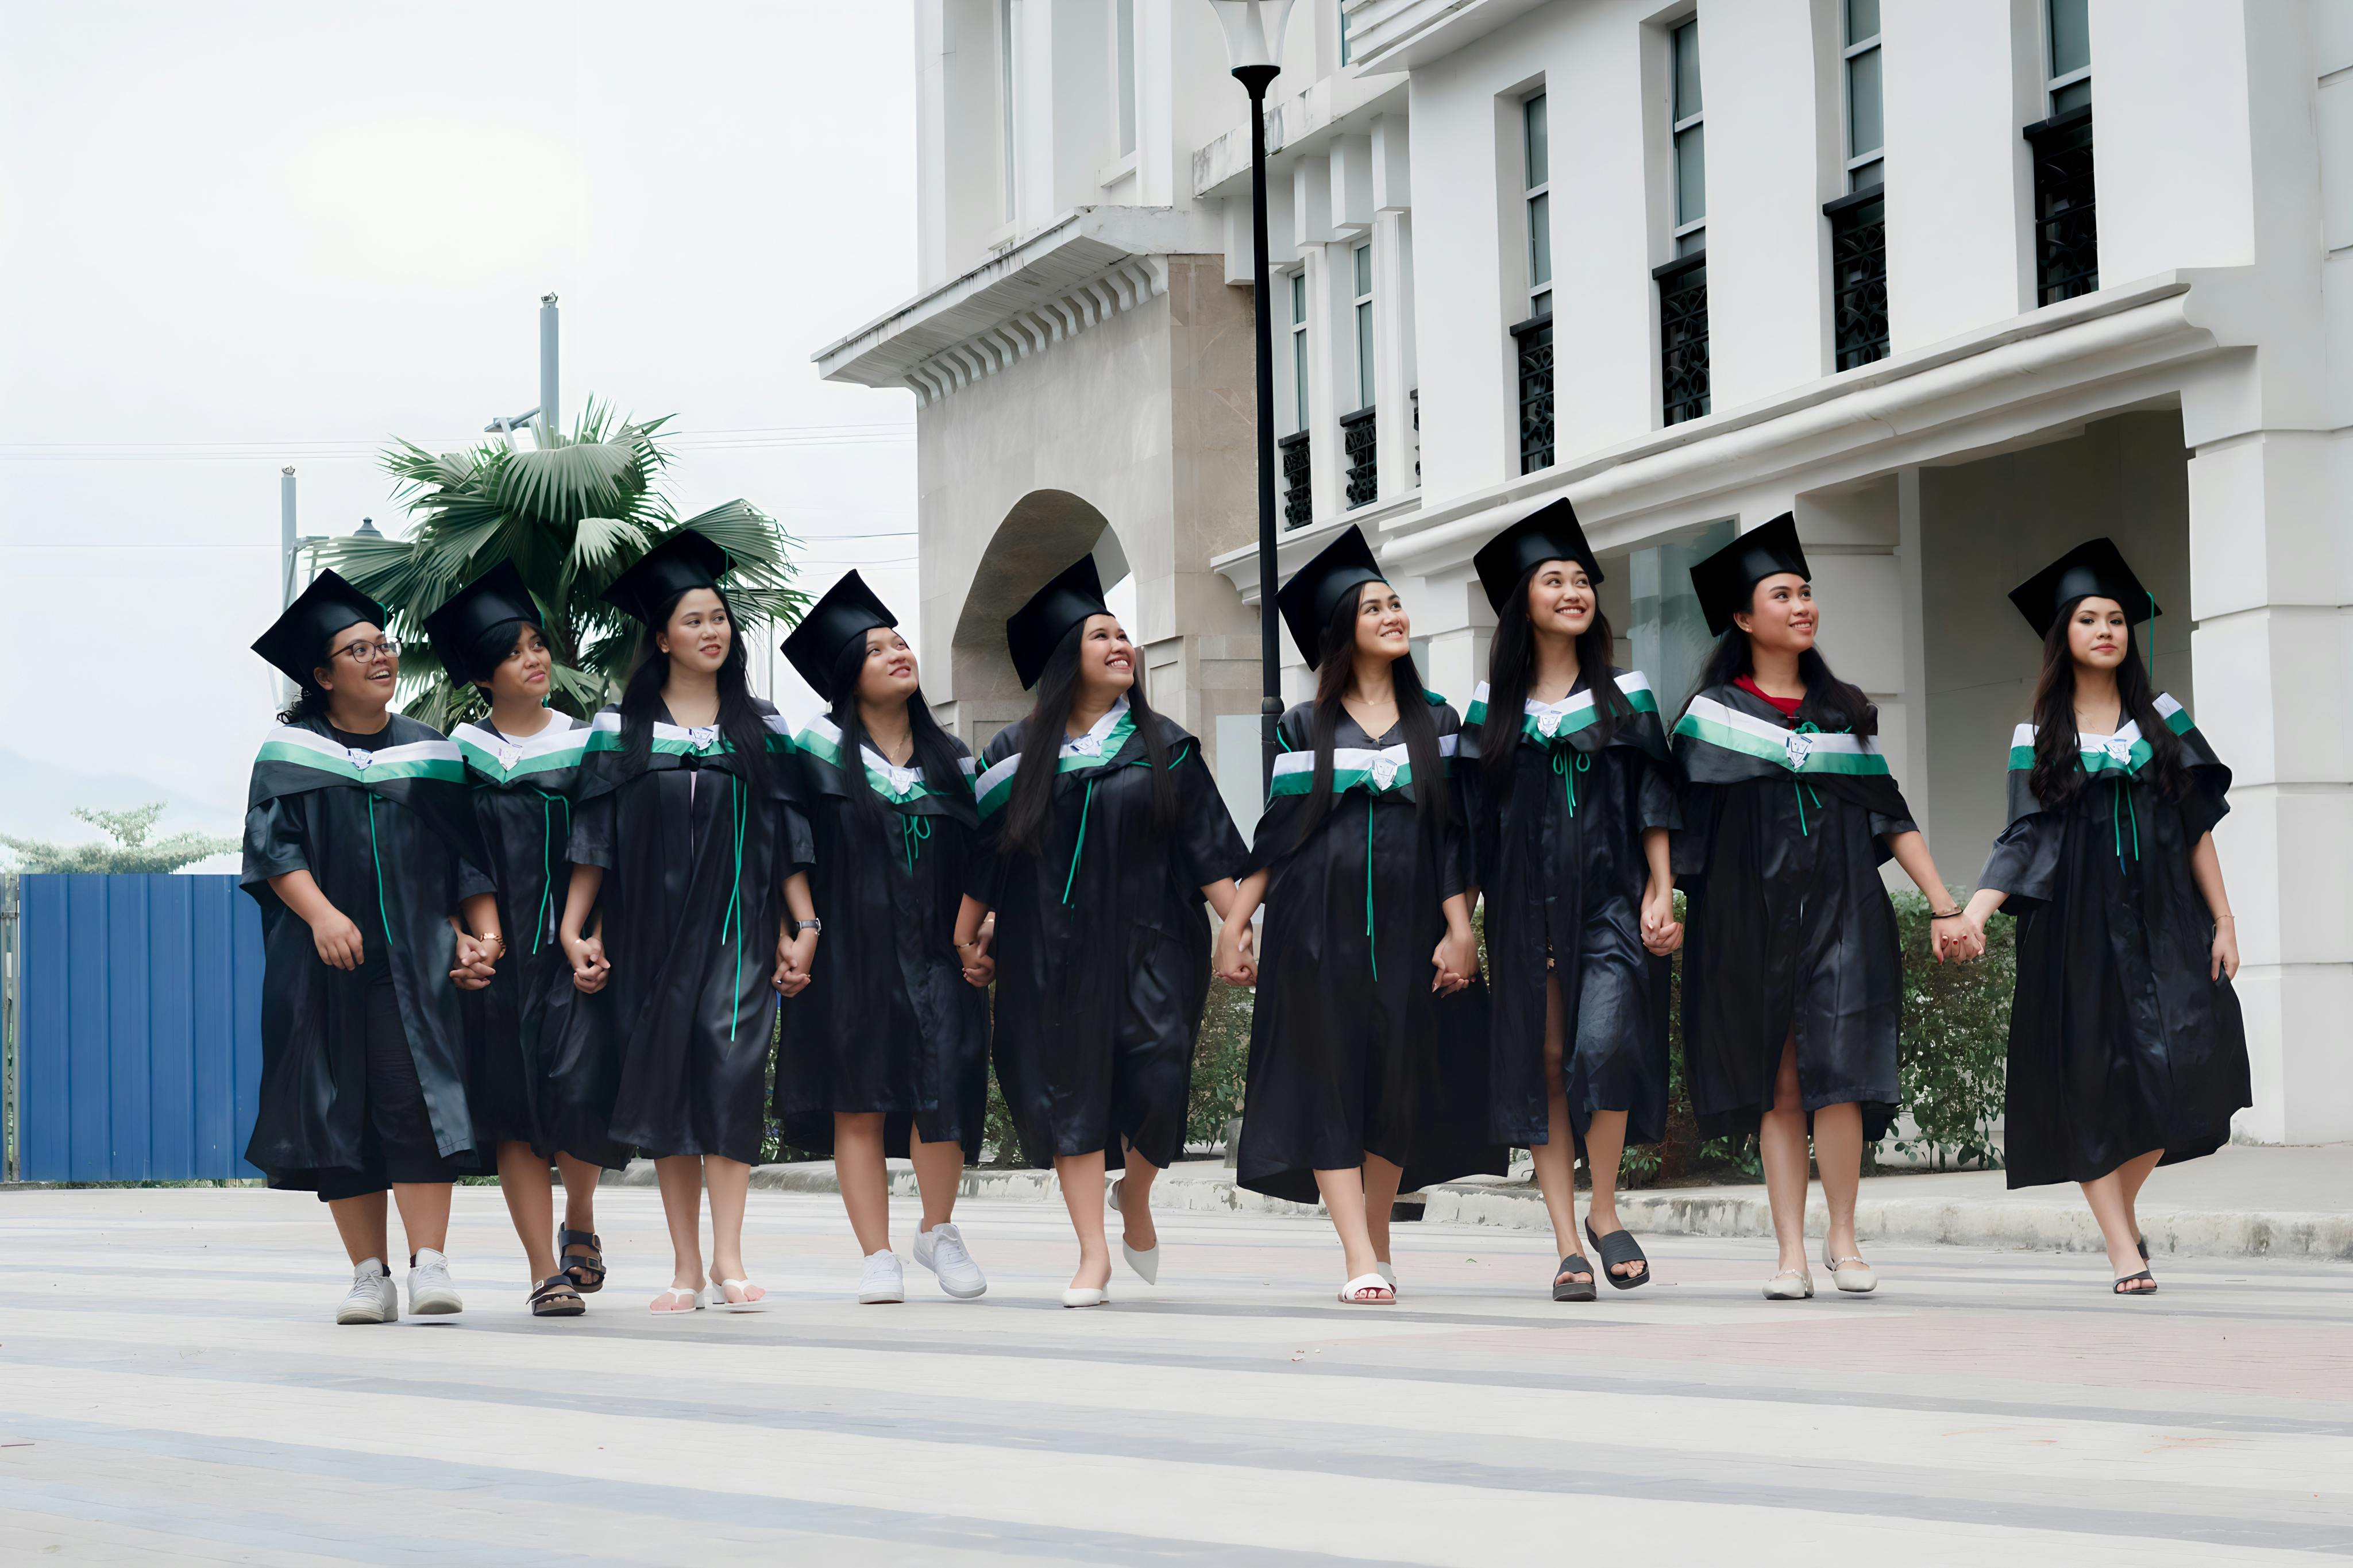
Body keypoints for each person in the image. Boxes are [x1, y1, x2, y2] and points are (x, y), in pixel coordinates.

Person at [1669, 515, 1978, 1300]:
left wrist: (1944, 904)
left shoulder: (1842, 713)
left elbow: (1891, 814)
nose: (1803, 604)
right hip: (1750, 918)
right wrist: (1659, 901)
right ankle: (1789, 1252)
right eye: (1784, 593)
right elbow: (1680, 831)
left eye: (1807, 591)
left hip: (1844, 910)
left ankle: (1843, 1236)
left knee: (1839, 1074)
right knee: (1779, 1081)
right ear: (1744, 618)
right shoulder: (1710, 718)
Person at [1217, 527, 1505, 1304]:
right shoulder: (1303, 728)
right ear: (1342, 630)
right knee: (1330, 1082)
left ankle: (1374, 1236)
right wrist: (1236, 923)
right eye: (1374, 606)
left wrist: (1461, 927)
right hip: (1316, 929)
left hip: (1412, 928)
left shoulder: (1439, 724)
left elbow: (1453, 838)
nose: (1392, 614)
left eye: (1395, 602)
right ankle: (1357, 1255)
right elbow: (1277, 836)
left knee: (1396, 1087)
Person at [954, 554, 1250, 1307]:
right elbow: (983, 860)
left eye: (1125, 635)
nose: (1123, 645)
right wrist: (965, 936)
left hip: (1154, 946)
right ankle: (1092, 1253)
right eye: (1101, 635)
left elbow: (1211, 848)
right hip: (1047, 954)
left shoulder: (1165, 746)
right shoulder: (1012, 756)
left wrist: (1237, 926)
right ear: (1065, 661)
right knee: (1070, 1095)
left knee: (1160, 1082)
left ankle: (1138, 1195)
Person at [1957, 539, 2247, 1296]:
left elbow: (2195, 830)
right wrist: (1978, 911)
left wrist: (2224, 918)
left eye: (2116, 618)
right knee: (2090, 1083)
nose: (2107, 630)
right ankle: (2125, 1251)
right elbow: (2024, 838)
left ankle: (2118, 1211)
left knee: (2183, 1070)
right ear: (2065, 636)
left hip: (2166, 922)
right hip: (2076, 932)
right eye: (2089, 619)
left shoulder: (2162, 723)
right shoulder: (2039, 741)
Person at [556, 530, 815, 1314]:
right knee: (669, 1086)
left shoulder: (761, 726)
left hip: (737, 927)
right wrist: (576, 927)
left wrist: (803, 924)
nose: (713, 631)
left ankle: (731, 1258)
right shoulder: (621, 728)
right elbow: (594, 838)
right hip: (647, 931)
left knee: (732, 1078)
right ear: (662, 635)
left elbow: (787, 834)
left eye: (720, 618)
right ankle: (684, 1264)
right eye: (695, 619)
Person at [242, 570, 501, 1324]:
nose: (381, 656)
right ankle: (368, 1274)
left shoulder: (428, 751)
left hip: (415, 965)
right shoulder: (288, 753)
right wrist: (322, 915)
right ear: (322, 676)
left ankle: (431, 1265)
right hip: (319, 967)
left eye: (383, 643)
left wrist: (485, 935)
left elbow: (468, 859)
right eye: (359, 649)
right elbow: (271, 847)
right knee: (336, 1109)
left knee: (415, 1101)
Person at [1457, 501, 1681, 1301]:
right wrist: (1459, 924)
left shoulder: (1627, 694)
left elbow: (1654, 791)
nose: (1573, 590)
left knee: (1606, 1045)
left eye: (1582, 578)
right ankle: (1566, 1241)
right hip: (1523, 907)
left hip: (1611, 899)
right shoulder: (1492, 712)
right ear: (1525, 603)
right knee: (1547, 1062)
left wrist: (1662, 887)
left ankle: (1607, 1204)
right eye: (1554, 580)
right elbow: (1472, 827)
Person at [775, 571, 992, 1304]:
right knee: (858, 1101)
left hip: (937, 951)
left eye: (900, 641)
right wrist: (800, 928)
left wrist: (980, 931)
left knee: (945, 1092)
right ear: (847, 677)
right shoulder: (814, 753)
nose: (898, 652)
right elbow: (789, 844)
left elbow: (985, 860)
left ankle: (937, 1230)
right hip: (849, 954)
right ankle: (876, 1253)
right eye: (877, 649)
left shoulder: (954, 760)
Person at [425, 563, 629, 1319]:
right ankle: (545, 1267)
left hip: (570, 948)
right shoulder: (460, 754)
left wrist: (590, 933)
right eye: (515, 652)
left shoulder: (584, 744)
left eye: (538, 644)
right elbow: (453, 853)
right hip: (498, 958)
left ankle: (580, 1213)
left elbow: (601, 844)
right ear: (486, 674)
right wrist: (477, 934)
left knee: (578, 1092)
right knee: (513, 1108)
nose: (536, 658)